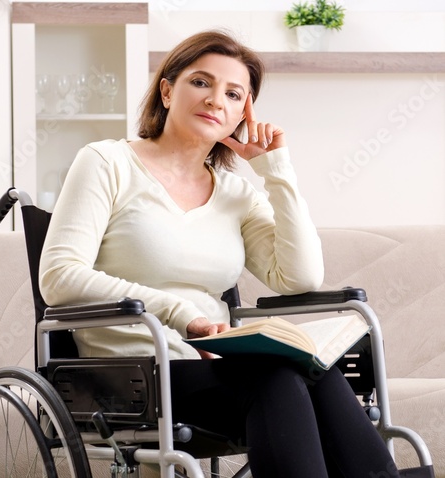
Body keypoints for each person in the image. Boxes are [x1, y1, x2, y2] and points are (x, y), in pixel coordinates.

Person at [39, 30, 400, 477]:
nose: (216, 100)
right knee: (275, 379)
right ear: (167, 91)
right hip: (131, 376)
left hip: (212, 369)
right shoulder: (107, 163)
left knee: (313, 371)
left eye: (233, 94)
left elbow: (300, 277)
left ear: (241, 115)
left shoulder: (236, 194)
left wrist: (275, 170)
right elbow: (59, 275)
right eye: (201, 83)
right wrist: (180, 312)